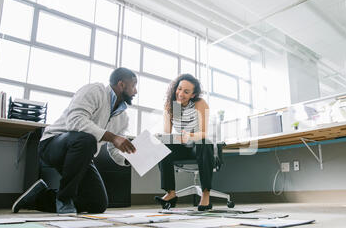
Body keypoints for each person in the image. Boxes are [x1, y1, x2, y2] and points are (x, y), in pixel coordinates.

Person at [12, 67, 137, 214]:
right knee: (87, 139)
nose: (136, 91)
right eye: (134, 85)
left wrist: (130, 158)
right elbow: (76, 121)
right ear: (121, 84)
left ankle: (39, 196)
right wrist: (113, 137)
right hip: (53, 144)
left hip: (82, 154)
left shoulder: (123, 117)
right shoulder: (95, 91)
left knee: (97, 204)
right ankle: (64, 199)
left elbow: (113, 148)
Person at [156, 73, 214, 211]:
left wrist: (189, 136)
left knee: (204, 142)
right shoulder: (172, 106)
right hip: (182, 146)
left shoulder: (199, 104)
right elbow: (167, 135)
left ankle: (205, 195)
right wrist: (160, 138)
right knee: (162, 145)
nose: (180, 94)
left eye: (186, 92)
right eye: (179, 89)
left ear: (193, 95)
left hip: (197, 145)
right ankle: (171, 193)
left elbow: (204, 132)